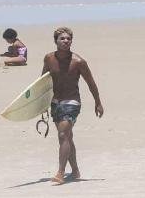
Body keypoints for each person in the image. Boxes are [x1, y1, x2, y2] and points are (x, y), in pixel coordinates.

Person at [41, 27, 104, 185]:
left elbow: (91, 82)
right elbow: (42, 83)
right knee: (67, 137)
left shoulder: (79, 62)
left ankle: (61, 172)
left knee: (63, 135)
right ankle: (75, 170)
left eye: (68, 38)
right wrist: (40, 104)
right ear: (56, 41)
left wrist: (98, 102)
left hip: (72, 102)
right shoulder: (49, 58)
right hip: (55, 102)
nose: (66, 41)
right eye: (62, 38)